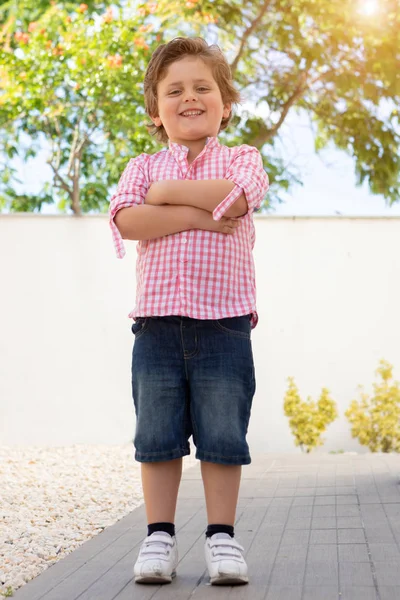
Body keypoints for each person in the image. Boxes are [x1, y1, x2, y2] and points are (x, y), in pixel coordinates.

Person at [109, 36, 269, 586]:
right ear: (155, 109)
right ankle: (159, 537)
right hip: (156, 324)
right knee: (157, 435)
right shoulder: (139, 164)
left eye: (203, 87)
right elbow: (128, 221)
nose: (190, 97)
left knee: (224, 435)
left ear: (226, 102)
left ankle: (222, 540)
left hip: (225, 324)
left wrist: (164, 196)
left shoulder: (244, 158)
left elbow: (237, 196)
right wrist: (199, 216)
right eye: (174, 90)